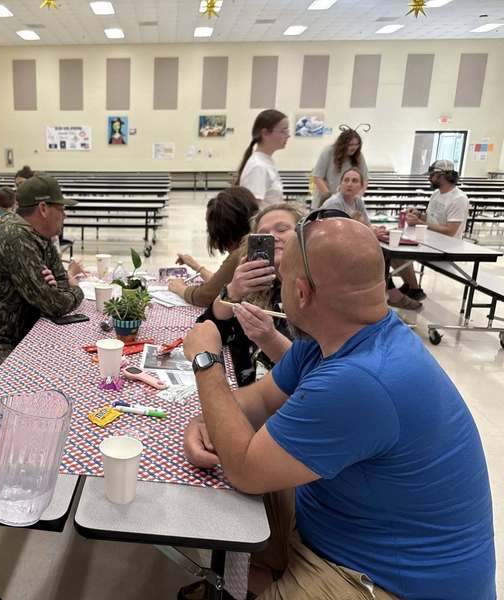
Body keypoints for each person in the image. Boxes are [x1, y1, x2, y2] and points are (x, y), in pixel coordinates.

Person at [182, 213, 495, 600]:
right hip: (344, 529)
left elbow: (245, 468)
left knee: (232, 488)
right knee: (218, 502)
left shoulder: (361, 379)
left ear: (300, 294)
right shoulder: (331, 337)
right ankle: (256, 573)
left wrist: (206, 363)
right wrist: (204, 418)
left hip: (392, 581)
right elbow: (257, 401)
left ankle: (259, 576)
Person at [0, 175, 85, 384]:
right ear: (43, 208)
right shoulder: (17, 237)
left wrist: (58, 288)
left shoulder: (39, 236)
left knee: (74, 367)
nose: (64, 214)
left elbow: (60, 282)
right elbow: (54, 304)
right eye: (60, 208)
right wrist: (77, 290)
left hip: (26, 335)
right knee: (36, 386)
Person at [206, 203, 305, 386]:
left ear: (303, 234)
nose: (273, 237)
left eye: (282, 229)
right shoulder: (259, 285)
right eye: (263, 233)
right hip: (247, 390)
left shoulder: (317, 291)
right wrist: (233, 291)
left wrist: (269, 338)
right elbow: (209, 326)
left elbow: (313, 369)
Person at [390, 159, 470, 304]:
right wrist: (418, 214)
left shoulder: (459, 199)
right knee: (393, 250)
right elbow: (431, 217)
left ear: (442, 175)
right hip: (430, 238)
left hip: (447, 246)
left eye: (432, 175)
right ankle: (410, 286)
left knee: (400, 252)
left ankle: (414, 289)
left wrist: (421, 223)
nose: (429, 178)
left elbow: (451, 231)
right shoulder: (436, 194)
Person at [168, 187, 258, 306]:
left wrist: (180, 288)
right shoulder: (252, 244)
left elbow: (205, 296)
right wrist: (197, 267)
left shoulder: (240, 253)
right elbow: (221, 284)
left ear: (222, 229)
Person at [237, 110, 289, 209]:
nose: (288, 135)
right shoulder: (258, 166)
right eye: (283, 131)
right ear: (265, 133)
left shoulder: (266, 161)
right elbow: (253, 211)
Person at [311, 127, 368, 208]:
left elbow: (365, 180)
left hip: (347, 203)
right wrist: (331, 198)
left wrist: (357, 197)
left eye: (356, 145)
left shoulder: (358, 156)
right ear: (343, 144)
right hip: (325, 201)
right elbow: (317, 177)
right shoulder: (328, 151)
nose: (354, 148)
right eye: (351, 144)